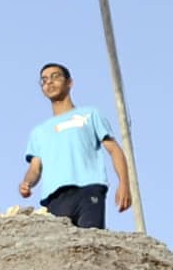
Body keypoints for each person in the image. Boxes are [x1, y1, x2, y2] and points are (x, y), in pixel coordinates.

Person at [14, 62, 132, 228]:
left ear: (69, 82)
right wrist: (27, 183)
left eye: (55, 77)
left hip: (89, 189)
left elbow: (114, 150)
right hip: (54, 199)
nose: (49, 82)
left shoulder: (90, 114)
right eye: (44, 80)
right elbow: (35, 168)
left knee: (90, 243)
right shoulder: (39, 132)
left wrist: (124, 184)